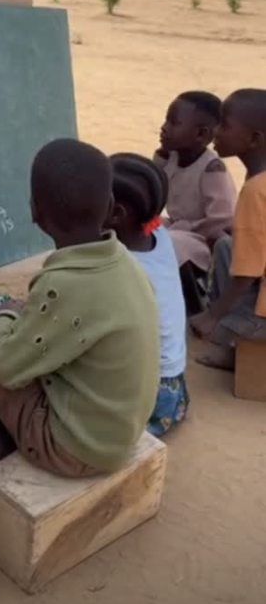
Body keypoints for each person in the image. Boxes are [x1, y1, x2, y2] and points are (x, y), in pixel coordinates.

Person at [0, 138, 160, 475]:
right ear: (110, 204)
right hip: (114, 434)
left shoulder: (63, 284)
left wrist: (8, 313)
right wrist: (10, 314)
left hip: (76, 451)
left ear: (35, 210)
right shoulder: (122, 261)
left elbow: (5, 367)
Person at [109, 153, 189, 437]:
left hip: (149, 394)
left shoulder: (123, 267)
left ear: (116, 214)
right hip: (174, 389)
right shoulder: (158, 233)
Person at [191, 89, 266, 370]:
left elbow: (248, 272)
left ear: (254, 139)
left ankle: (235, 344)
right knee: (225, 244)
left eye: (225, 125)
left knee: (215, 330)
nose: (216, 131)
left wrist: (212, 316)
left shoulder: (256, 190)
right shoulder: (259, 175)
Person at [154, 91, 237, 277]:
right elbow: (153, 188)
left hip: (202, 239)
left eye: (174, 123)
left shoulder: (212, 168)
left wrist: (187, 227)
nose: (164, 128)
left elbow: (222, 220)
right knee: (141, 229)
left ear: (201, 134)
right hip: (175, 227)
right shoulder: (171, 157)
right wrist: (161, 155)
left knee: (171, 243)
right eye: (166, 121)